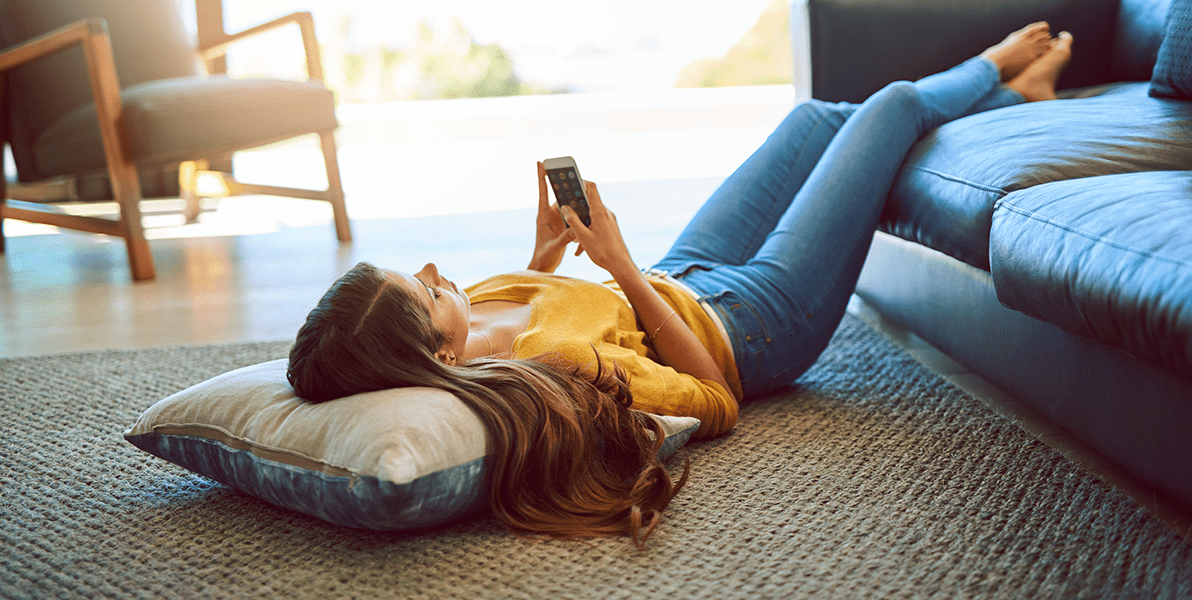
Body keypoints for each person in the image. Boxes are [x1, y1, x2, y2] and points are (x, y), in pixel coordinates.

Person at [287, 23, 1073, 546]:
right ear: (447, 357)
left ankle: (1011, 102)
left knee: (811, 122)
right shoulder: (556, 362)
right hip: (756, 322)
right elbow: (718, 401)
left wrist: (547, 251)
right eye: (425, 293)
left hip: (683, 272)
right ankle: (993, 73)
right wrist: (621, 266)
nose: (433, 271)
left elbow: (533, 292)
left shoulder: (475, 311)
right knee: (892, 106)